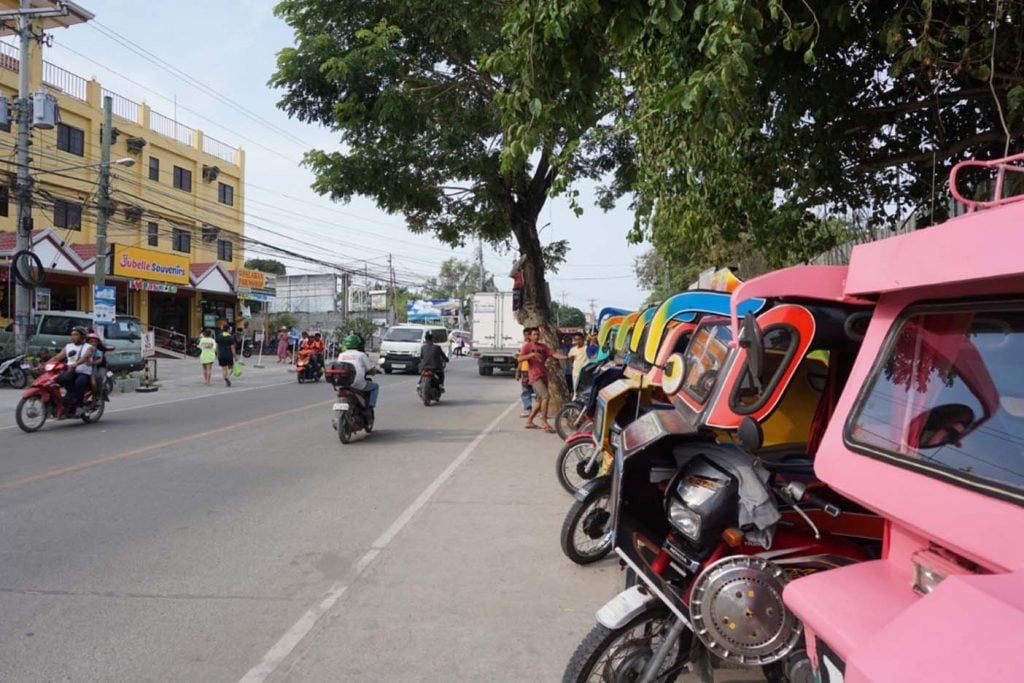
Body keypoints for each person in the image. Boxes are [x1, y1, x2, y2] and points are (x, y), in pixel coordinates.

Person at [519, 327, 569, 432]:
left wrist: (565, 357)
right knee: (546, 396)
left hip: (543, 375)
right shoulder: (527, 346)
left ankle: (529, 421)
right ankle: (544, 422)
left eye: (537, 334)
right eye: (534, 334)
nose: (536, 336)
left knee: (540, 400)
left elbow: (553, 354)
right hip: (534, 376)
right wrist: (531, 354)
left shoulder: (543, 347)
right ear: (530, 336)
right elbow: (519, 358)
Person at [50, 326, 93, 416]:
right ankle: (63, 402)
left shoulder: (89, 347)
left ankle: (79, 406)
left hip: (83, 373)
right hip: (70, 372)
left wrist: (75, 364)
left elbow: (85, 357)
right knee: (54, 381)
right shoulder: (68, 346)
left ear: (82, 336)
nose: (73, 337)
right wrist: (44, 364)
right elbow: (58, 357)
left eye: (76, 335)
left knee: (79, 383)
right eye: (72, 335)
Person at [337, 334, 380, 413]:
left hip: (343, 383)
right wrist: (375, 371)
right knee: (375, 387)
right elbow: (370, 369)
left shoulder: (341, 355)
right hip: (358, 383)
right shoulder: (361, 355)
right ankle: (370, 407)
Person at [515, 329, 533, 418]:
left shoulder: (535, 345)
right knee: (526, 390)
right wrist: (518, 370)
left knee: (537, 391)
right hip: (524, 370)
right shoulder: (523, 345)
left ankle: (540, 409)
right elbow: (520, 359)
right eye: (525, 335)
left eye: (528, 335)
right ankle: (528, 409)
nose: (526, 337)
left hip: (534, 370)